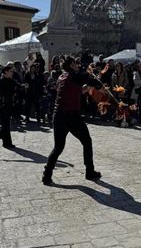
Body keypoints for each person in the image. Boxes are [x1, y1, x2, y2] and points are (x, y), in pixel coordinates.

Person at [42, 56, 103, 185]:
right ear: (71, 65)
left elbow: (74, 91)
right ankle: (90, 171)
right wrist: (97, 84)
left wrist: (86, 88)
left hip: (58, 115)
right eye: (75, 63)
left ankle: (47, 175)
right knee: (87, 141)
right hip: (71, 115)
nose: (77, 65)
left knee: (58, 147)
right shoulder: (73, 75)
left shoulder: (61, 77)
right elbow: (87, 79)